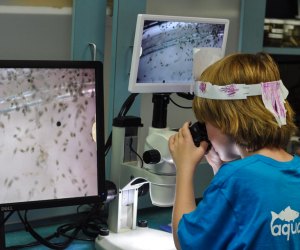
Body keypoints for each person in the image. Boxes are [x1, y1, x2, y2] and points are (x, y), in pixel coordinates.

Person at [168, 52, 300, 249]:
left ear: (226, 121)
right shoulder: (294, 169)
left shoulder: (235, 178)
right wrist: (219, 168)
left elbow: (186, 242)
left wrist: (184, 168)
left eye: (206, 122)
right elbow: (239, 221)